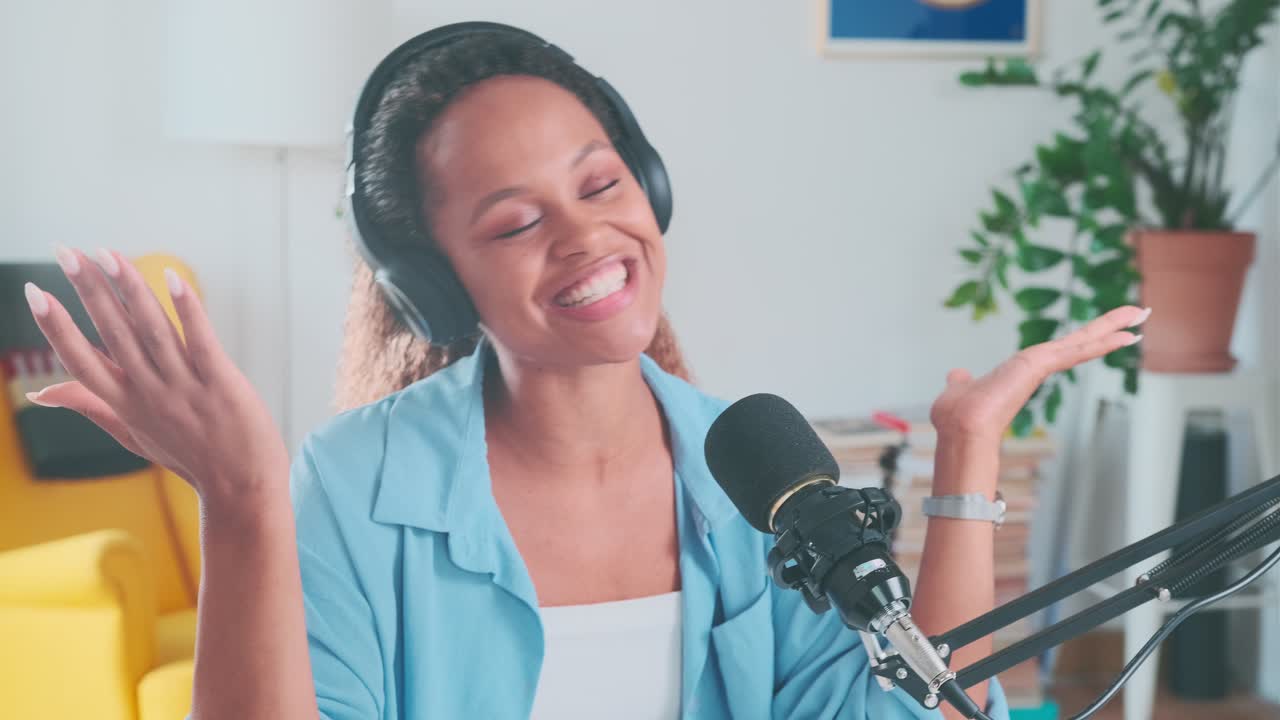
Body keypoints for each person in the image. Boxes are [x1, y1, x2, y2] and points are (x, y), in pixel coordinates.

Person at [20, 22, 1149, 720]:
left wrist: (966, 458)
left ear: (649, 189)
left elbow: (916, 717)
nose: (585, 237)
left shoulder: (751, 473)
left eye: (601, 185)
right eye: (515, 223)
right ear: (438, 281)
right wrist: (241, 498)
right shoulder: (353, 482)